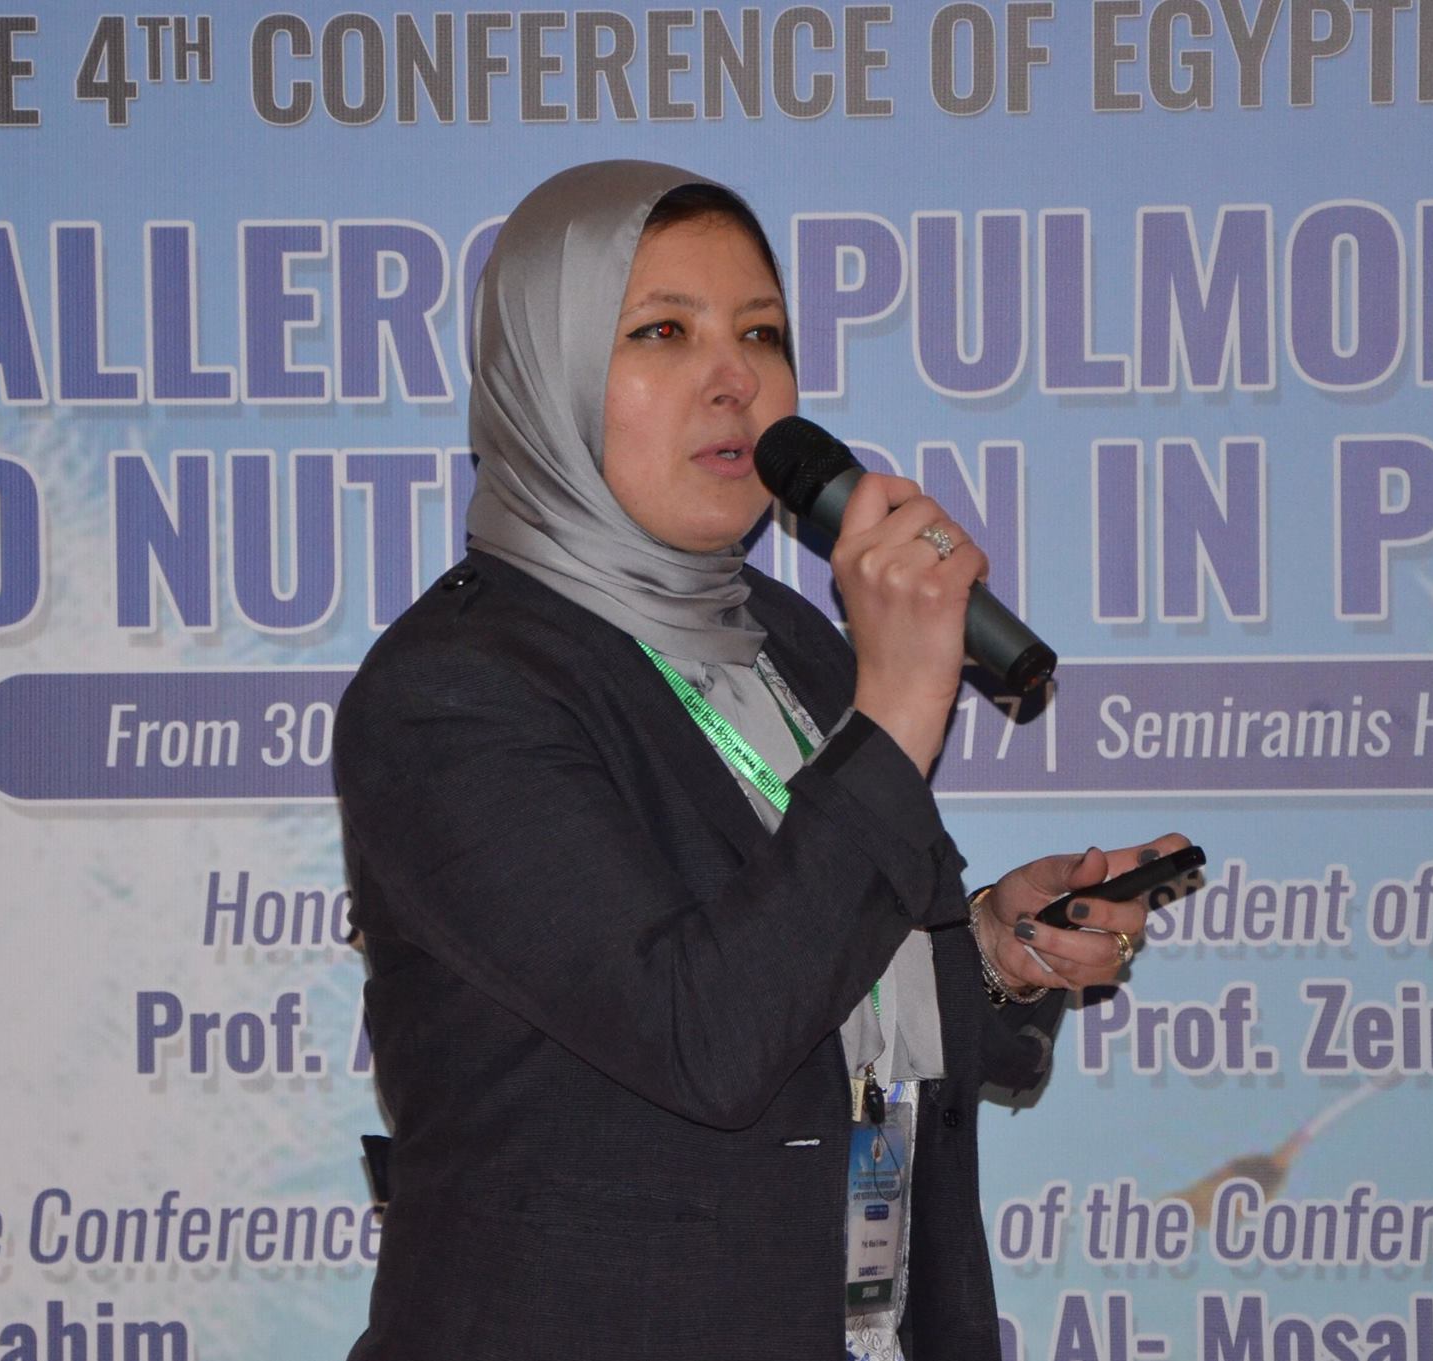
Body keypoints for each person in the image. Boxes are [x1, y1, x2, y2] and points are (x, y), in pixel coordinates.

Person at [333, 160, 1186, 1360]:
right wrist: (896, 709)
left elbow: (814, 965)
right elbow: (704, 1036)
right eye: (662, 331)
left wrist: (993, 954)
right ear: (544, 371)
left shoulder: (787, 641)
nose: (733, 379)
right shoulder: (454, 692)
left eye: (760, 333)